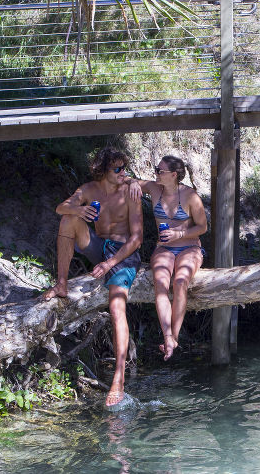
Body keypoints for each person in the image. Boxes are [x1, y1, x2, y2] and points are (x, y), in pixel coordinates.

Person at [41, 147, 143, 408]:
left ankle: (118, 378)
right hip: (100, 247)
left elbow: (137, 239)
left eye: (125, 168)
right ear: (103, 170)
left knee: (117, 306)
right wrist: (77, 211)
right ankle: (61, 283)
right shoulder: (88, 190)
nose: (123, 173)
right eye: (117, 169)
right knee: (67, 220)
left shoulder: (130, 192)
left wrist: (110, 262)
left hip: (123, 255)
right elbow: (60, 207)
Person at [125, 156, 207, 360]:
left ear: (173, 175)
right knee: (161, 283)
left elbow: (202, 227)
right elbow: (124, 179)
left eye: (160, 171)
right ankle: (167, 335)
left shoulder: (190, 196)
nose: (156, 173)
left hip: (189, 247)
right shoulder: (154, 189)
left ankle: (174, 336)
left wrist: (179, 234)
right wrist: (133, 182)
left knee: (180, 282)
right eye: (155, 169)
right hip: (163, 248)